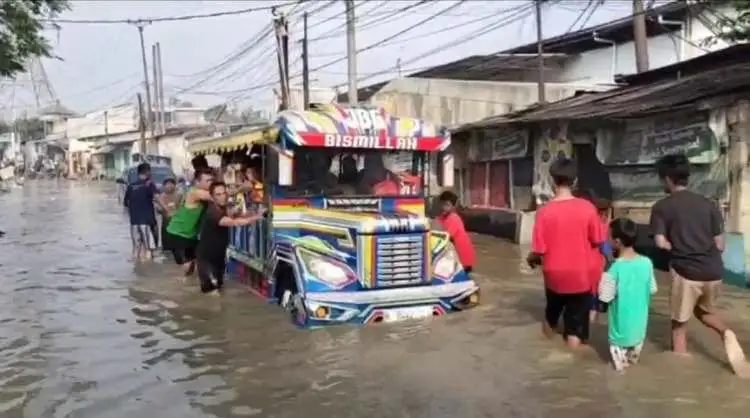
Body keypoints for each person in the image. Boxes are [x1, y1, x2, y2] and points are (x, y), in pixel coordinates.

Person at [649, 154, 748, 376]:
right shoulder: (708, 204)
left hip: (686, 271)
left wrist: (678, 245)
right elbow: (720, 245)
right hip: (713, 271)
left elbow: (660, 242)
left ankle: (681, 371)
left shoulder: (662, 207)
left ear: (666, 179)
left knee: (679, 324)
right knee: (703, 312)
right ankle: (726, 332)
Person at [528, 157, 607, 348]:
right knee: (575, 328)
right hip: (580, 276)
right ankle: (572, 364)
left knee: (550, 317)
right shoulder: (588, 208)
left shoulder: (544, 212)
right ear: (575, 180)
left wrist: (532, 259)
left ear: (553, 180)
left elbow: (539, 250)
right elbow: (598, 239)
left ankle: (544, 347)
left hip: (553, 275)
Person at [598, 218, 657, 373]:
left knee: (620, 373)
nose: (606, 239)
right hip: (639, 332)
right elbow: (652, 289)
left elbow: (604, 297)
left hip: (619, 335)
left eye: (608, 236)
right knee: (633, 370)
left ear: (616, 241)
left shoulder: (614, 268)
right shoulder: (647, 263)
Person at [196, 181, 265, 295]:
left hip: (218, 257)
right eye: (218, 195)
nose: (222, 196)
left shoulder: (221, 208)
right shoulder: (213, 213)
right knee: (212, 294)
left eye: (224, 193)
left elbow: (233, 215)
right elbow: (233, 222)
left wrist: (250, 214)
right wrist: (256, 217)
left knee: (219, 289)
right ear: (212, 197)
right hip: (206, 260)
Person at [165, 167, 215, 278]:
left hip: (190, 235)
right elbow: (217, 197)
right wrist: (240, 188)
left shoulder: (202, 192)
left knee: (196, 265)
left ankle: (194, 289)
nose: (210, 183)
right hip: (178, 233)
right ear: (198, 182)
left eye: (212, 180)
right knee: (186, 268)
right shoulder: (195, 193)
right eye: (207, 181)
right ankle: (178, 290)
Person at [123, 163, 158, 261]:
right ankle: (148, 271)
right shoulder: (149, 184)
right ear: (148, 172)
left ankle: (136, 268)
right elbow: (157, 198)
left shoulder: (131, 186)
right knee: (148, 249)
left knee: (135, 248)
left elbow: (125, 203)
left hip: (134, 222)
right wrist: (166, 209)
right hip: (146, 222)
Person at [436, 190, 475, 274]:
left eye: (447, 205)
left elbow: (446, 236)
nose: (443, 207)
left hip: (463, 258)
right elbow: (435, 228)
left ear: (454, 207)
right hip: (454, 256)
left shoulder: (454, 218)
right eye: (442, 204)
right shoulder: (442, 217)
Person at [157, 178, 182, 253]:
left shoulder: (179, 195)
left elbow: (183, 207)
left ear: (175, 185)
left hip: (177, 222)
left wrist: (176, 211)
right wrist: (161, 209)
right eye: (167, 184)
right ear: (164, 186)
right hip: (166, 222)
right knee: (166, 246)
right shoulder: (161, 197)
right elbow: (158, 209)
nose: (169, 186)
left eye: (171, 184)